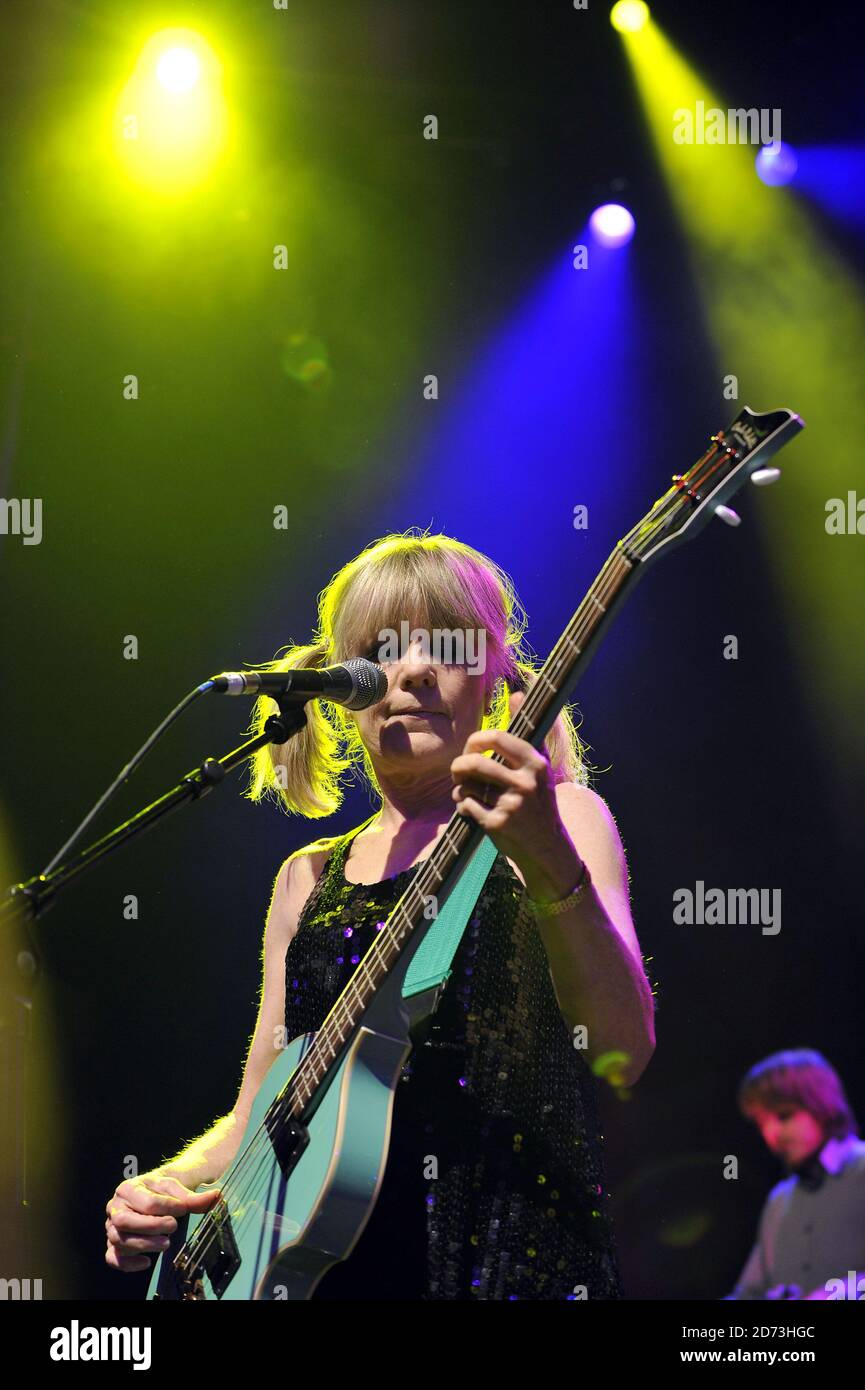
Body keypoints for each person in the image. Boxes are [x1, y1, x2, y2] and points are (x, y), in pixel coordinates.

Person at [105, 530, 656, 1299]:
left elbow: (621, 1049)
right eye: (383, 649)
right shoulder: (307, 878)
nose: (417, 669)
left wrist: (546, 857)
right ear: (342, 684)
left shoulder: (561, 817)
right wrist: (161, 1190)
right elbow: (256, 1120)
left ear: (494, 677)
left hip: (512, 1263)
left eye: (449, 646)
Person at [725, 1048, 865, 1300]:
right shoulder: (779, 1201)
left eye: (784, 1115)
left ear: (822, 1104)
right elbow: (749, 1294)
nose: (771, 1134)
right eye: (761, 1123)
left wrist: (836, 1293)